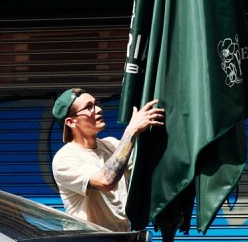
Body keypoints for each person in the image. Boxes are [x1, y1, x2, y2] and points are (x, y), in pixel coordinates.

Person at [49, 87, 164, 231]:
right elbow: (106, 181)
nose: (98, 110)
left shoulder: (111, 144)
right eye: (89, 107)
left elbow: (145, 171)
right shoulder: (65, 159)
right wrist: (131, 131)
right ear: (71, 122)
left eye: (96, 104)